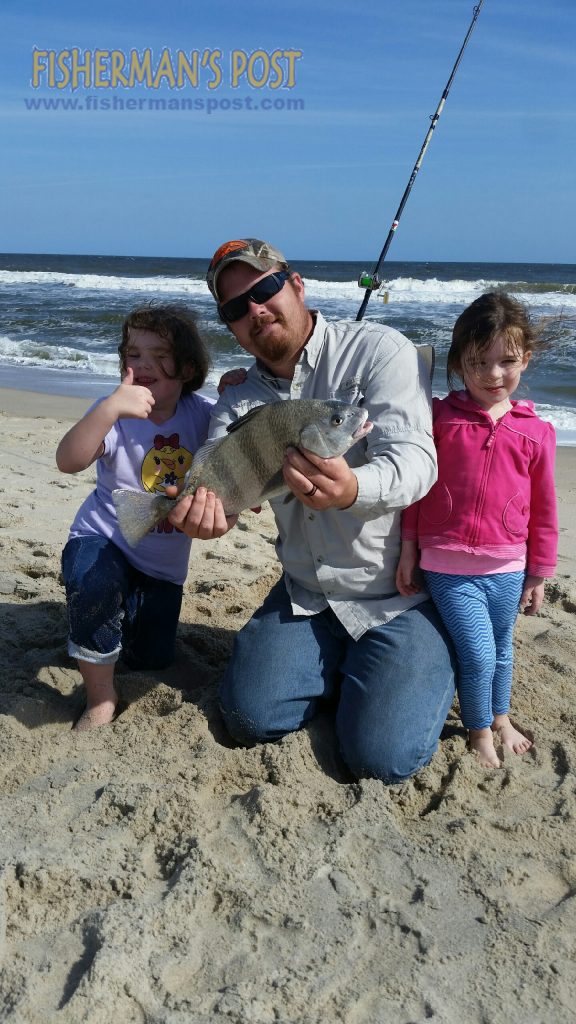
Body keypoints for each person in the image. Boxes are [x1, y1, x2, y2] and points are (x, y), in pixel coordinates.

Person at [167, 238, 457, 783]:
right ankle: (346, 673)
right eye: (234, 308)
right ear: (229, 325)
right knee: (250, 717)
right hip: (307, 592)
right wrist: (207, 520)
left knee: (382, 759)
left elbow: (418, 462)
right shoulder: (238, 400)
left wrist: (351, 489)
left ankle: (417, 661)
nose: (254, 310)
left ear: (295, 285)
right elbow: (228, 498)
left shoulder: (380, 351)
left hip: (398, 595)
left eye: (264, 289)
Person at [396, 292, 558, 768]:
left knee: (503, 650)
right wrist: (409, 550)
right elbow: (416, 489)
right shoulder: (440, 420)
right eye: (477, 363)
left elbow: (545, 511)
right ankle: (479, 729)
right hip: (447, 565)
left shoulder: (536, 432)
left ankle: (501, 716)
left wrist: (539, 573)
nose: (492, 375)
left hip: (509, 565)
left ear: (525, 359)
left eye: (506, 362)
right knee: (479, 654)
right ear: (458, 364)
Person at [56, 304, 213, 731]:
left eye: (158, 353)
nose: (141, 363)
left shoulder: (202, 415)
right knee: (93, 582)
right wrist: (109, 409)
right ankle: (101, 696)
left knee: (151, 657)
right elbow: (67, 461)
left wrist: (237, 388)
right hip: (104, 537)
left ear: (187, 367)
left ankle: (101, 625)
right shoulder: (113, 414)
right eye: (132, 352)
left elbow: (236, 438)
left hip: (162, 566)